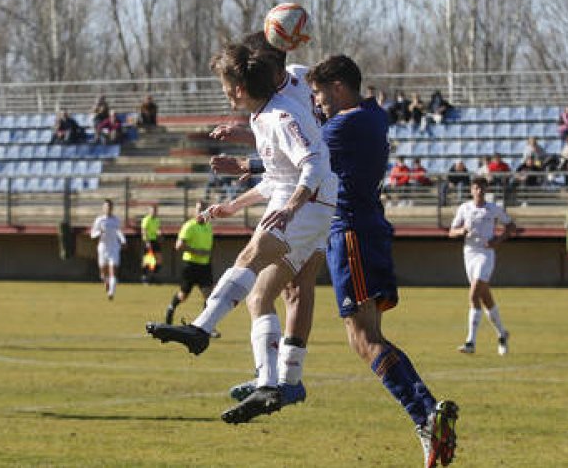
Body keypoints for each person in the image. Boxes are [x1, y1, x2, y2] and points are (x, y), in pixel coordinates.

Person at [146, 42, 338, 426]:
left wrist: (292, 207)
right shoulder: (263, 117)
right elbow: (277, 177)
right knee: (259, 297)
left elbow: (314, 165)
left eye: (223, 84)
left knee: (249, 258)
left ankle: (202, 329)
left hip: (310, 204)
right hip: (308, 204)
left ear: (237, 88)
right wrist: (233, 207)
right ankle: (268, 383)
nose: (223, 91)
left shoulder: (281, 117)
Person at [307, 55, 459, 467]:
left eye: (320, 94)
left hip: (351, 233)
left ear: (339, 87)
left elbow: (300, 159)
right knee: (367, 336)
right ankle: (427, 416)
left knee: (363, 338)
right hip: (368, 228)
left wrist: (247, 159)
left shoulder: (345, 124)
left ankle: (424, 414)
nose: (317, 103)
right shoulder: (372, 114)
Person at [209, 30, 327, 413]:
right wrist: (249, 151)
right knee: (290, 290)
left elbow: (307, 153)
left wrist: (287, 199)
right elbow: (291, 150)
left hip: (319, 195)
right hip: (318, 191)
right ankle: (283, 380)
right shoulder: (289, 89)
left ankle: (278, 381)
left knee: (277, 292)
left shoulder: (295, 90)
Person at [448, 177, 516, 357]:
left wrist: (498, 240)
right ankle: (502, 334)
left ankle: (470, 342)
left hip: (486, 254)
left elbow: (510, 225)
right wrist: (461, 231)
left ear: (486, 190)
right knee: (485, 298)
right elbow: (451, 231)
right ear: (471, 190)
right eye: (476, 188)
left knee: (473, 293)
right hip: (469, 253)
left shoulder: (493, 209)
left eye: (482, 188)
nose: (479, 191)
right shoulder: (464, 208)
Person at [164, 201, 215, 325]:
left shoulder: (209, 227)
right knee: (183, 296)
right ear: (194, 211)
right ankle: (171, 309)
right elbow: (178, 246)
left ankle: (205, 325)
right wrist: (195, 251)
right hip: (190, 265)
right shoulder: (189, 226)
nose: (201, 212)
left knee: (209, 297)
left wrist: (207, 253)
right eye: (199, 209)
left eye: (204, 209)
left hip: (205, 266)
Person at [90, 198, 126, 300]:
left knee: (113, 270)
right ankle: (106, 281)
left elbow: (119, 232)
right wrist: (99, 233)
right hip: (102, 248)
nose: (108, 208)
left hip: (114, 247)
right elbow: (92, 234)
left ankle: (111, 293)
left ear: (112, 208)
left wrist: (123, 241)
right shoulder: (99, 220)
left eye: (109, 207)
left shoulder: (116, 220)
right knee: (103, 273)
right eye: (106, 207)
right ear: (103, 208)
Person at [140, 205, 162, 284]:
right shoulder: (146, 219)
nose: (154, 212)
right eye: (152, 211)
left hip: (155, 240)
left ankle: (154, 276)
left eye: (155, 211)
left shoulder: (157, 220)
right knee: (147, 260)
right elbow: (144, 231)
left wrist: (159, 233)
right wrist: (147, 242)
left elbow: (158, 229)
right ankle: (144, 277)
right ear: (149, 211)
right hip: (148, 241)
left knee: (158, 259)